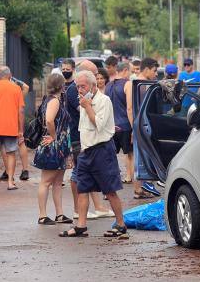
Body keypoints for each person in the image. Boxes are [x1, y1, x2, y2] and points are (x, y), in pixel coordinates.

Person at [60, 71, 129, 239]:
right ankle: (81, 226)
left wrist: (87, 107)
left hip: (102, 151)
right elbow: (83, 128)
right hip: (86, 152)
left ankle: (120, 225)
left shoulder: (103, 101)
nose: (79, 90)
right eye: (77, 87)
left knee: (110, 190)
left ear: (93, 85)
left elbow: (98, 124)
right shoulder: (83, 101)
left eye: (82, 86)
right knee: (82, 189)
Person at [64, 60, 112, 220]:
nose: (96, 78)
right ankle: (78, 210)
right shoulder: (74, 91)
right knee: (78, 173)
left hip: (87, 137)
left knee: (86, 173)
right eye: (93, 74)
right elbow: (86, 111)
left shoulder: (88, 94)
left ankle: (97, 207)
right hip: (79, 138)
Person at [34, 73, 73, 225]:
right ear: (61, 86)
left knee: (57, 181)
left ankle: (59, 214)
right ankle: (42, 215)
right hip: (54, 145)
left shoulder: (49, 99)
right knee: (46, 181)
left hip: (58, 145)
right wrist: (54, 136)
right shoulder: (55, 101)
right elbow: (49, 120)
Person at [106, 62, 149, 198]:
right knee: (134, 157)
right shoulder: (128, 84)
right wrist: (134, 127)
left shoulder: (108, 86)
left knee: (110, 160)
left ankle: (108, 192)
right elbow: (130, 108)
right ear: (124, 70)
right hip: (125, 126)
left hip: (112, 127)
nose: (132, 74)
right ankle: (138, 190)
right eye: (130, 71)